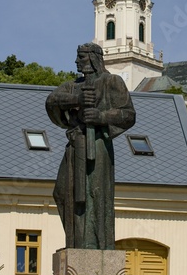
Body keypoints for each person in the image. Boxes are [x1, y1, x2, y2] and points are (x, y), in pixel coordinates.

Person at [46, 42, 135, 250]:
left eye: (81, 57)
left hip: (98, 145)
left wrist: (101, 116)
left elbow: (128, 114)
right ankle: (76, 242)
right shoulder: (73, 86)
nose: (77, 61)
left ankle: (97, 246)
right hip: (76, 145)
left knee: (96, 194)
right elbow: (51, 101)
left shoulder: (112, 82)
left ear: (94, 59)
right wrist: (75, 99)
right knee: (62, 193)